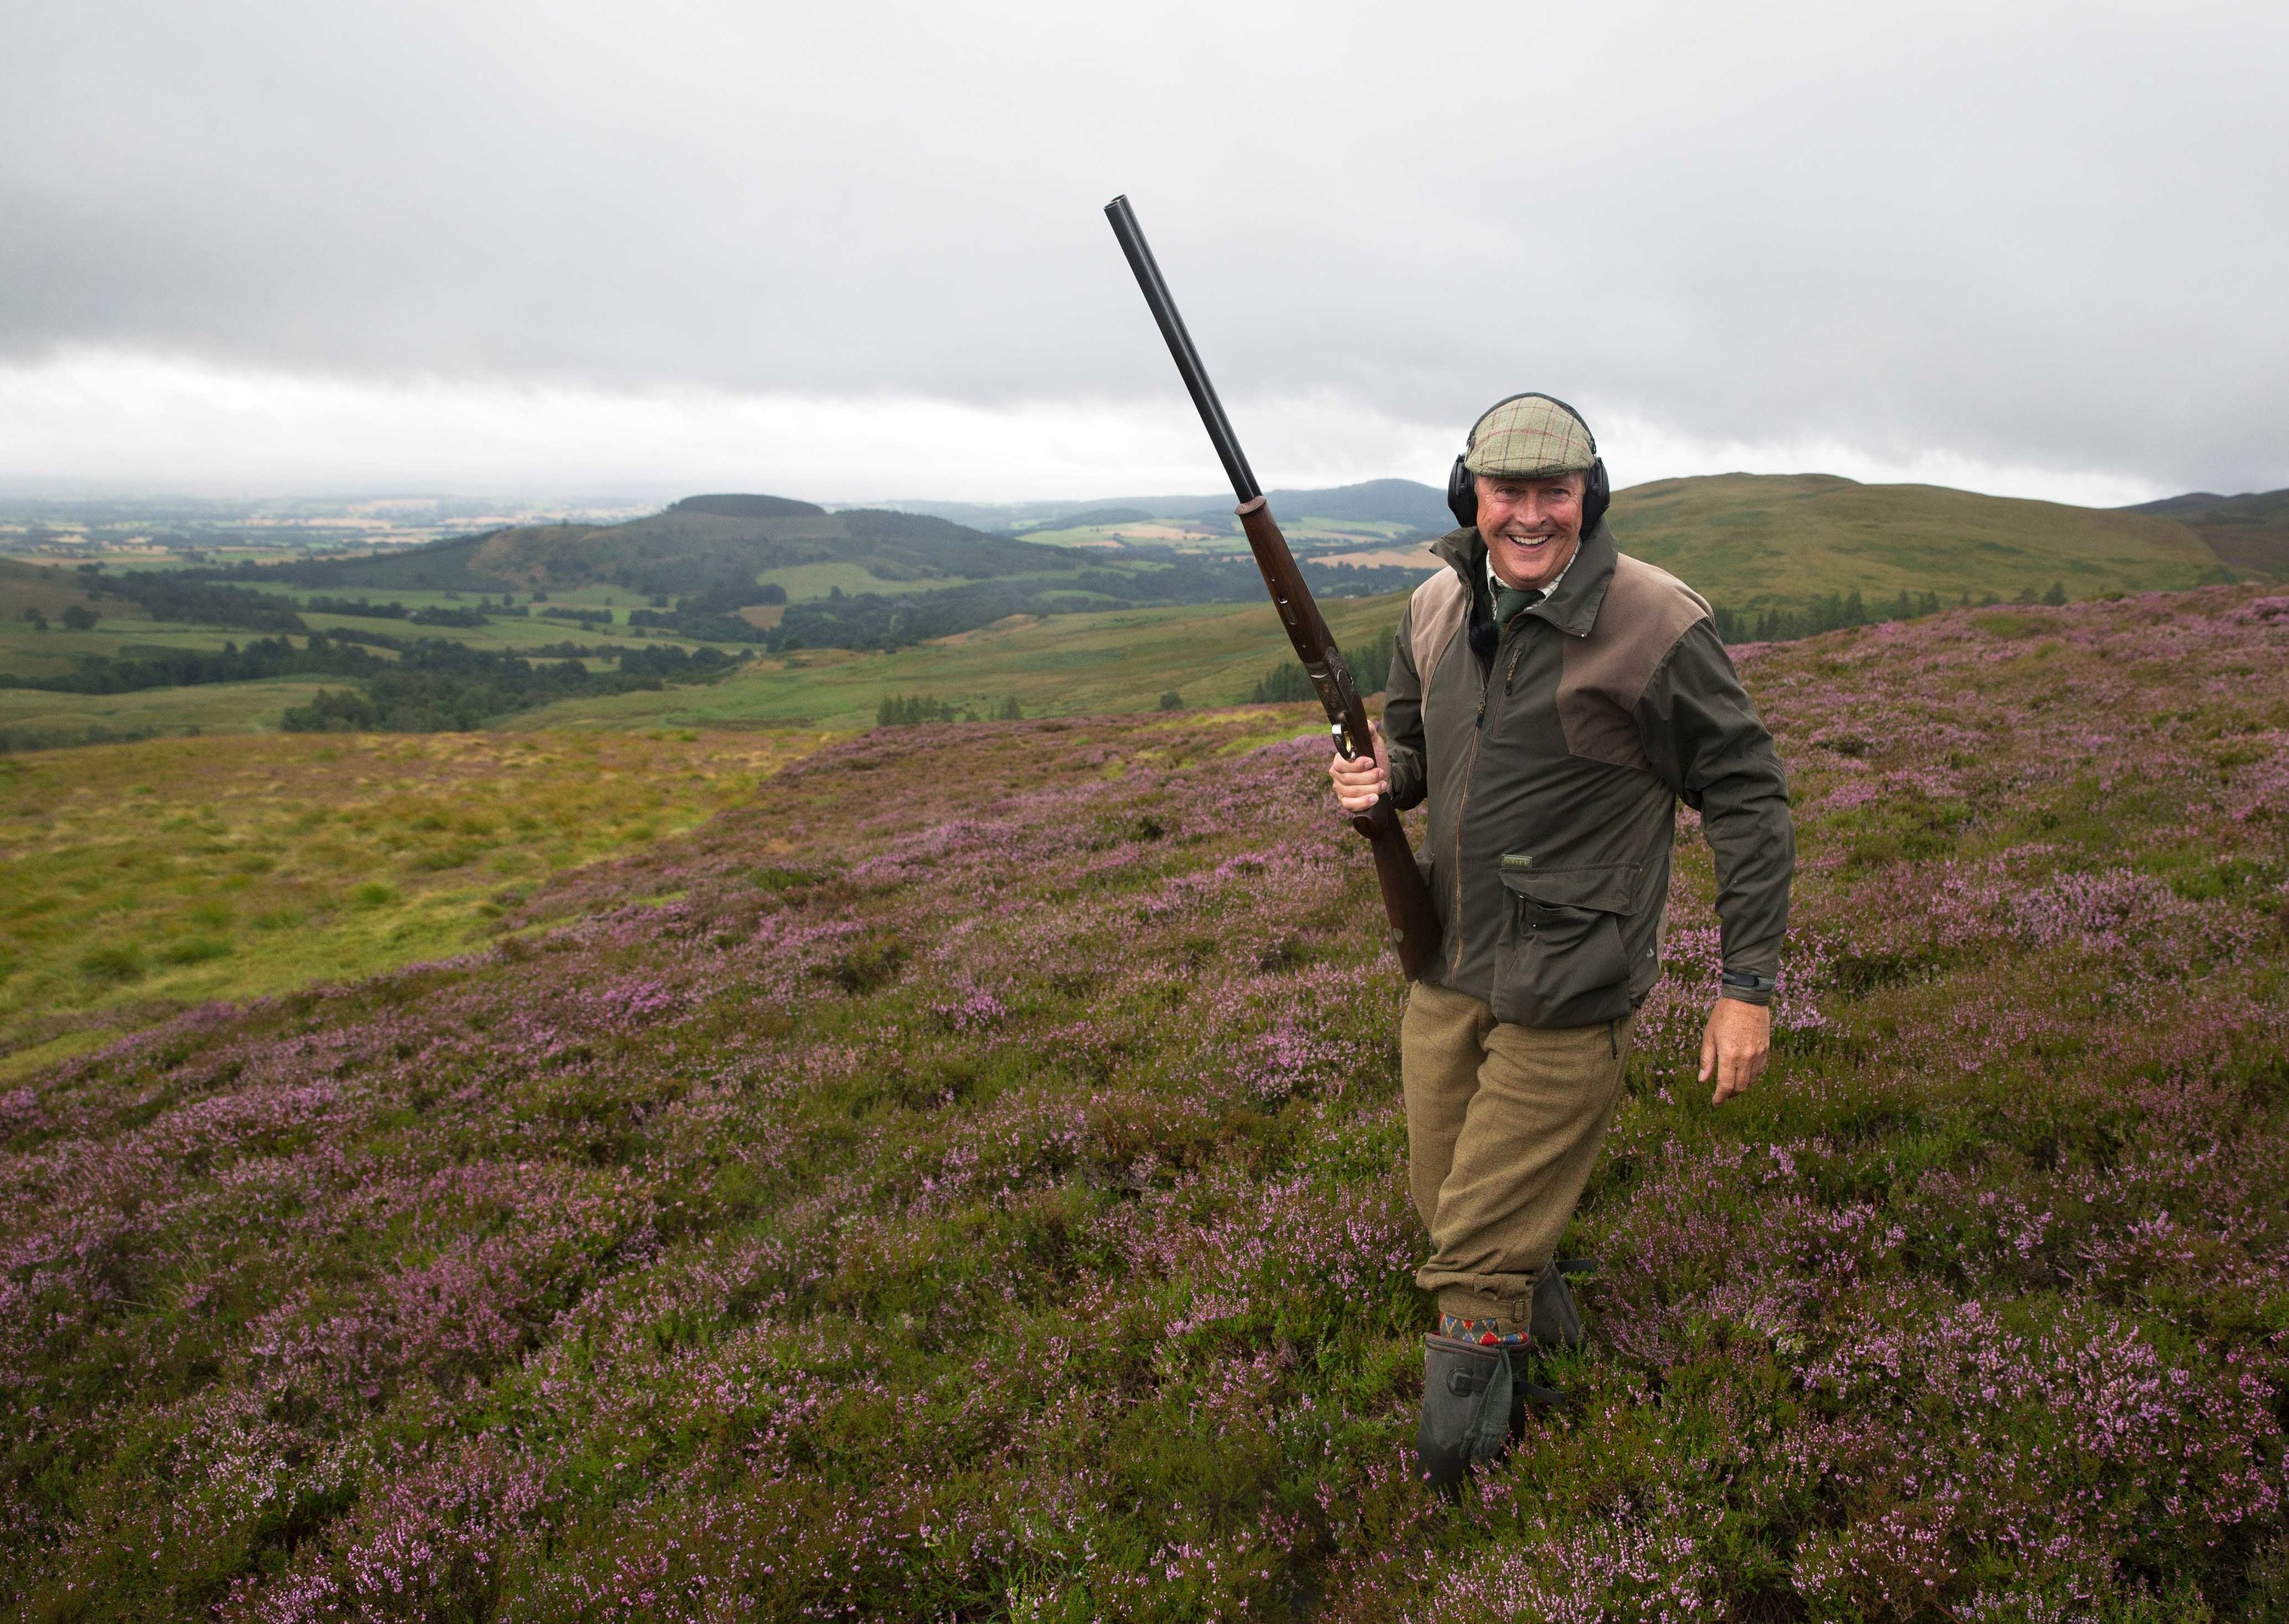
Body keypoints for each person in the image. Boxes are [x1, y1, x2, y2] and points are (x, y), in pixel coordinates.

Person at [1328, 393, 1794, 1492]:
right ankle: (1558, 1368)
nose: (1531, 516)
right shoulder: (1436, 608)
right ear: (1470, 496)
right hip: (1446, 964)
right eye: (1508, 493)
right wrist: (1378, 783)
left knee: (1475, 1257)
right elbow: (1414, 752)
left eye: (1555, 492)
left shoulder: (1658, 624)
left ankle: (1459, 1498)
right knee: (1446, 1206)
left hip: (1573, 982)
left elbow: (1750, 800)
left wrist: (1748, 988)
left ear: (1590, 495)